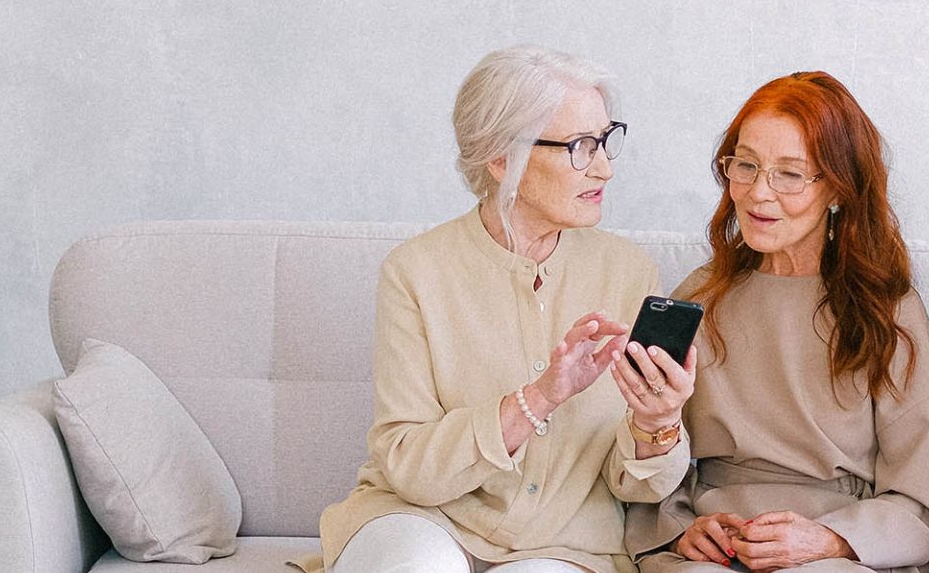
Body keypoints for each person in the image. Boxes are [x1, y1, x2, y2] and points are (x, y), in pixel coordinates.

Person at [295, 46, 696, 573]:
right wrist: (539, 397)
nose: (604, 167)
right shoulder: (415, 272)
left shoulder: (628, 272)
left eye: (604, 141)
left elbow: (635, 485)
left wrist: (658, 421)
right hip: (423, 519)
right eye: (579, 146)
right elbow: (407, 462)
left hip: (564, 544)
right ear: (503, 158)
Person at [625, 72, 929, 573]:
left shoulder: (888, 309)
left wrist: (830, 541)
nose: (757, 194)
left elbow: (917, 496)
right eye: (746, 166)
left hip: (838, 545)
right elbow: (655, 464)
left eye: (789, 174)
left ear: (838, 189)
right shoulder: (698, 295)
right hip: (717, 545)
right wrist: (681, 530)